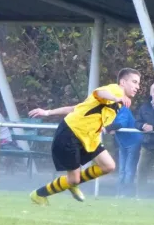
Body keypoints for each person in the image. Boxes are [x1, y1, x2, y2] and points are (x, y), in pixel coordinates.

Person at [28, 68, 141, 206]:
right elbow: (100, 92)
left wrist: (47, 113)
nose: (137, 87)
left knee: (108, 166)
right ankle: (39, 194)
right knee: (74, 180)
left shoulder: (117, 102)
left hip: (89, 137)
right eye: (134, 82)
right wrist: (117, 97)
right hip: (71, 133)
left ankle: (70, 182)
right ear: (123, 82)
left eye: (138, 84)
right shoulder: (116, 90)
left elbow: (76, 108)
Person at [105, 106, 143, 198]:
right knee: (122, 169)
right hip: (123, 143)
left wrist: (108, 128)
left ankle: (127, 193)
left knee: (128, 169)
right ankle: (120, 193)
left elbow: (122, 124)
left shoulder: (124, 110)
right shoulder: (109, 112)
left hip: (133, 142)